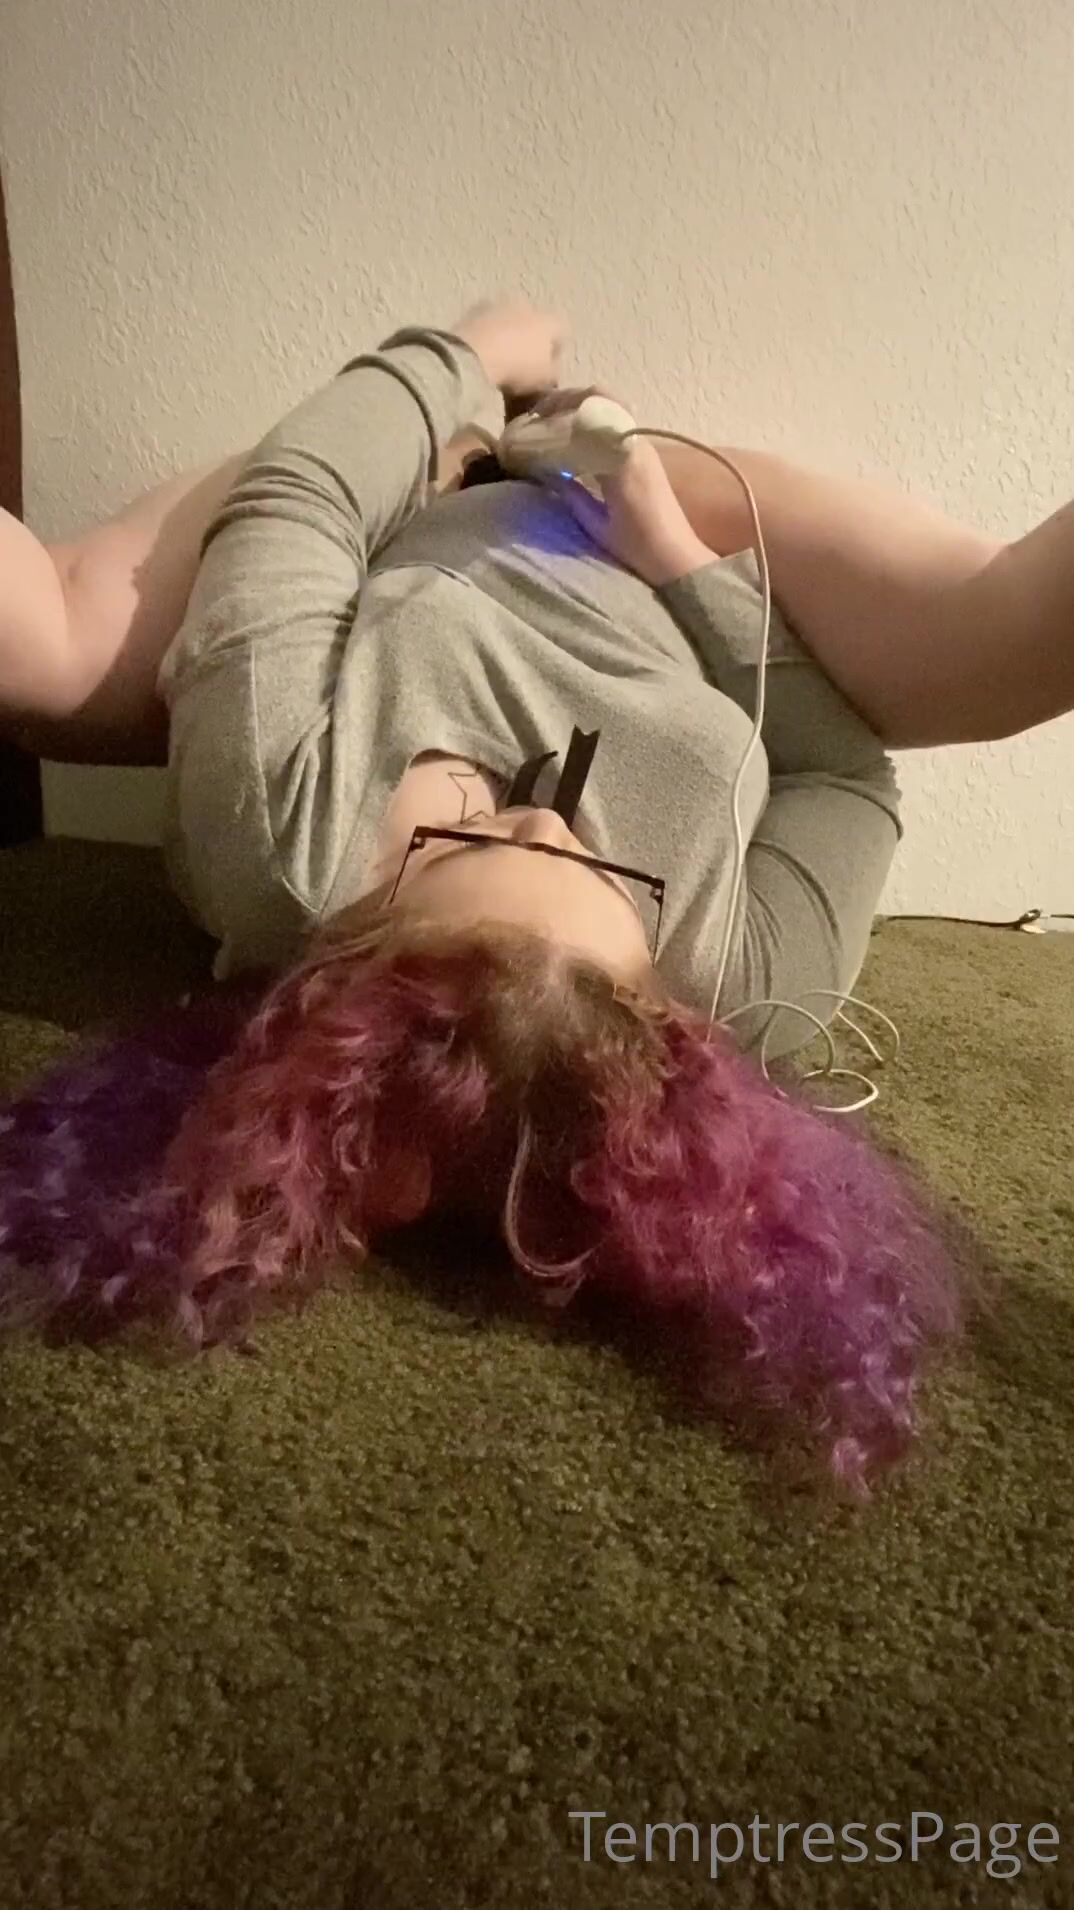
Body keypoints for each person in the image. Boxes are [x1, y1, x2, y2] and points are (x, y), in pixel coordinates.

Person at [0, 296, 1066, 1492]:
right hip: (655, 522)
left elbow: (297, 505)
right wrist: (677, 554)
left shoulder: (276, 837)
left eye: (459, 841)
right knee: (1011, 634)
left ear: (344, 953)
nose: (546, 815)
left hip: (402, 504)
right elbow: (843, 775)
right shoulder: (751, 979)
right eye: (606, 869)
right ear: (670, 1013)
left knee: (38, 652)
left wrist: (464, 358)